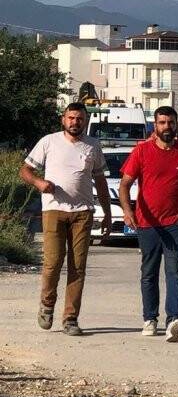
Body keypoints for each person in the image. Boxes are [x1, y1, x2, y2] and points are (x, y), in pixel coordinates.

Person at [20, 103, 112, 336]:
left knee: (77, 267)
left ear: (85, 121)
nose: (75, 122)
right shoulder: (48, 142)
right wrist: (39, 183)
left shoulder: (93, 146)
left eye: (79, 119)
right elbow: (25, 171)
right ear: (63, 119)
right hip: (53, 210)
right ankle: (47, 304)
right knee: (52, 263)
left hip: (83, 212)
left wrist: (108, 214)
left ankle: (70, 318)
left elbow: (100, 182)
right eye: (71, 118)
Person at [119, 106, 178, 342]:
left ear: (177, 124)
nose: (167, 127)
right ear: (154, 125)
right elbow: (125, 184)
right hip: (148, 223)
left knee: (174, 271)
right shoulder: (142, 151)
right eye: (162, 122)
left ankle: (174, 320)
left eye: (171, 122)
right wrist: (128, 211)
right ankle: (150, 318)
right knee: (149, 273)